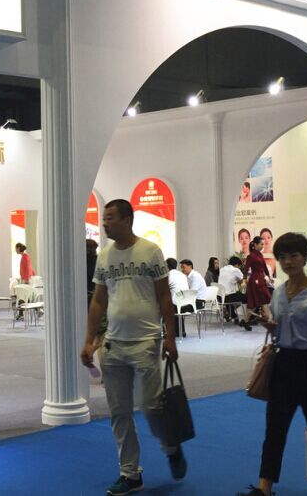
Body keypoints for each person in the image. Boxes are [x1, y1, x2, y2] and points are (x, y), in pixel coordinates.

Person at [81, 199, 186, 495]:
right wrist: (89, 340)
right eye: (104, 218)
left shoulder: (150, 251)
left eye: (110, 217)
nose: (105, 223)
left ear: (127, 219)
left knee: (152, 407)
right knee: (119, 412)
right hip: (114, 344)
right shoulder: (104, 256)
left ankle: (171, 445)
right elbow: (98, 300)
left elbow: (164, 296)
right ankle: (130, 473)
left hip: (146, 341)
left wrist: (169, 336)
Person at [239, 232, 307, 496]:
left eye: (294, 255)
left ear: (304, 258)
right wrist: (271, 326)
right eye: (283, 256)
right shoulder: (279, 293)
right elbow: (282, 328)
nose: (288, 261)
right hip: (282, 364)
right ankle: (265, 486)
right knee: (275, 427)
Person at [243, 236, 271, 331]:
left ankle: (246, 321)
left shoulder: (260, 255)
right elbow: (246, 269)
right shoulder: (251, 256)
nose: (263, 246)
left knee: (261, 301)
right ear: (255, 244)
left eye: (263, 244)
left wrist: (269, 276)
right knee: (256, 303)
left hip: (261, 279)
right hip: (255, 281)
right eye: (261, 244)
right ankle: (268, 321)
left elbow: (264, 267)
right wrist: (244, 280)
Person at [166, 257, 191, 338]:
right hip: (187, 305)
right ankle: (181, 331)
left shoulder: (168, 275)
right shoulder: (183, 275)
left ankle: (168, 332)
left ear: (166, 266)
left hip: (176, 306)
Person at [220, 256, 246, 323]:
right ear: (237, 264)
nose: (239, 268)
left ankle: (233, 316)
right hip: (229, 297)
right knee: (248, 298)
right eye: (239, 266)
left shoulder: (222, 269)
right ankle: (250, 318)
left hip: (219, 297)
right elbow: (242, 281)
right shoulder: (235, 270)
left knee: (233, 296)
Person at [86, 239, 99, 305]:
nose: (88, 249)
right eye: (86, 247)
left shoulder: (98, 261)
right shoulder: (80, 260)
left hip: (94, 293)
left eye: (90, 247)